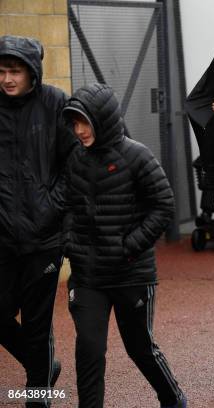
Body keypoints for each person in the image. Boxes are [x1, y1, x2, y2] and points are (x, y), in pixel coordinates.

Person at [62, 83, 186, 408]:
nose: (79, 130)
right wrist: (68, 244)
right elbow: (64, 207)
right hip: (88, 276)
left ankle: (172, 398)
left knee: (139, 348)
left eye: (84, 122)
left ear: (102, 119)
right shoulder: (75, 158)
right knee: (88, 349)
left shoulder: (137, 155)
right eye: (74, 123)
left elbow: (164, 205)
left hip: (132, 275)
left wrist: (129, 247)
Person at [0, 35, 76, 407]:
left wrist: (51, 207)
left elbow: (73, 164)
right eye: (1, 71)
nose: (7, 79)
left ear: (32, 72)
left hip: (44, 237)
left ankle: (38, 395)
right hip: (1, 237)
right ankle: (43, 367)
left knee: (36, 324)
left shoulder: (55, 104)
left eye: (14, 71)